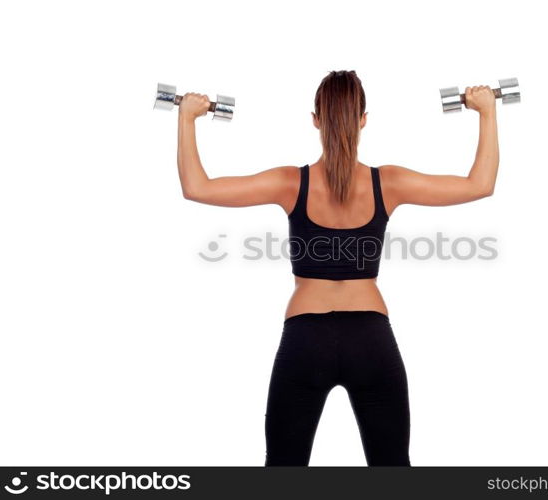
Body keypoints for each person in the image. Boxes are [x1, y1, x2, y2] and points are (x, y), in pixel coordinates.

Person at [176, 70, 498, 466]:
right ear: (363, 119)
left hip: (305, 341)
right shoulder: (389, 182)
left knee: (283, 469)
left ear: (315, 119)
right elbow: (479, 184)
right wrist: (486, 111)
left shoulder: (289, 182)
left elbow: (197, 187)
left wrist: (188, 116)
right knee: (392, 468)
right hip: (372, 340)